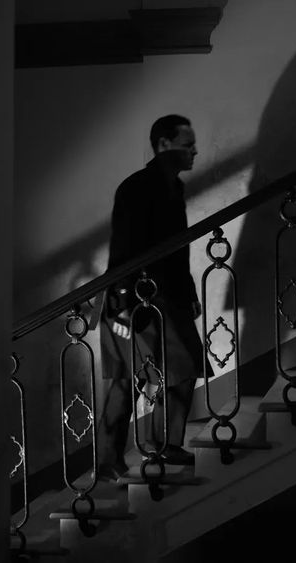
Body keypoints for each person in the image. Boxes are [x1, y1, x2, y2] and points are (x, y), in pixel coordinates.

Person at [96, 114, 211, 480]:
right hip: (135, 297)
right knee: (130, 378)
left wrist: (188, 292)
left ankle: (164, 445)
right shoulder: (138, 187)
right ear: (164, 144)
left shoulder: (171, 187)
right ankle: (108, 460)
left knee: (184, 365)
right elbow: (125, 247)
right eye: (187, 144)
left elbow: (176, 250)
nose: (194, 151)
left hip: (163, 296)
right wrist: (124, 305)